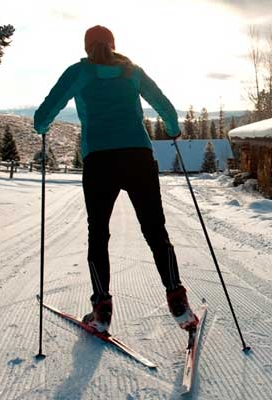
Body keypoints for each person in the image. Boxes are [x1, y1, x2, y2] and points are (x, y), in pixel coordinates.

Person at [34, 25, 198, 333]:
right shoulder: (131, 71)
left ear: (87, 48)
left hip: (99, 161)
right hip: (138, 157)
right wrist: (173, 130)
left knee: (98, 234)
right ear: (113, 44)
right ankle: (176, 297)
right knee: (155, 230)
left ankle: (102, 308)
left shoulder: (78, 73)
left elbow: (42, 116)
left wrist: (42, 127)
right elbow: (164, 106)